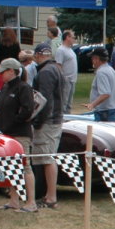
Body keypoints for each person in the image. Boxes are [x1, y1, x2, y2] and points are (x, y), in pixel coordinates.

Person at [0, 57, 37, 213]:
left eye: (3, 72)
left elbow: (28, 110)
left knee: (25, 167)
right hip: (6, 134)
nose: (1, 75)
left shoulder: (23, 88)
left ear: (11, 71)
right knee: (11, 167)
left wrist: (12, 122)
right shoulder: (5, 87)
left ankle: (31, 202)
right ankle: (14, 200)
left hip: (20, 134)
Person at [31, 42, 64, 209]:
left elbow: (44, 100)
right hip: (55, 118)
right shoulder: (56, 68)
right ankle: (47, 195)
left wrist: (37, 121)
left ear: (38, 55)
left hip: (48, 121)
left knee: (47, 157)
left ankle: (51, 196)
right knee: (46, 157)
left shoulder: (45, 72)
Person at [86, 48, 115, 121]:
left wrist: (92, 104)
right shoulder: (111, 69)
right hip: (112, 110)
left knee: (100, 132)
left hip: (104, 112)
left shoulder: (101, 72)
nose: (92, 61)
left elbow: (105, 93)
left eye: (93, 58)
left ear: (97, 59)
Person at [55, 30, 78, 113]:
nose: (74, 39)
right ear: (67, 37)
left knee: (69, 103)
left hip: (72, 80)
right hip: (66, 80)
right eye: (73, 37)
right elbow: (58, 65)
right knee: (64, 103)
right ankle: (62, 120)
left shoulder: (70, 50)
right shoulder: (61, 50)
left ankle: (68, 120)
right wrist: (62, 78)